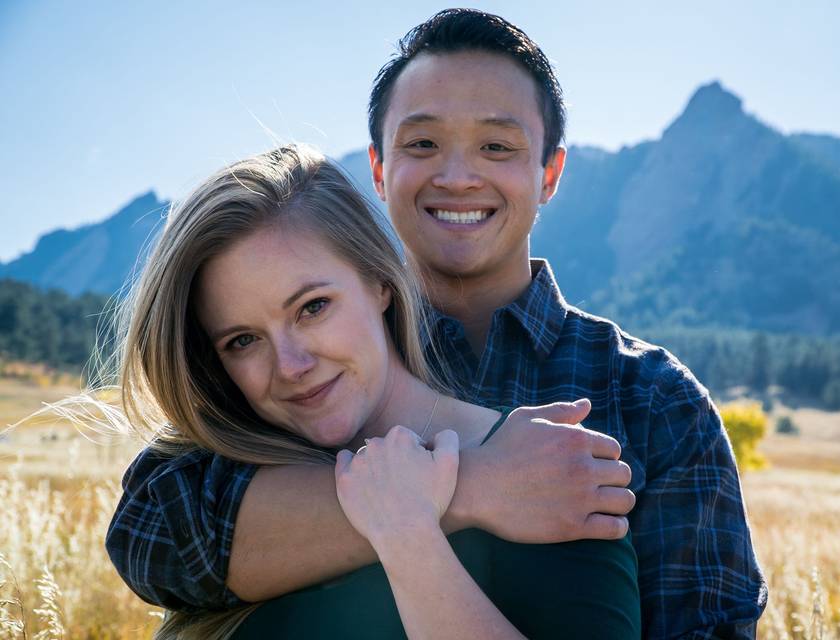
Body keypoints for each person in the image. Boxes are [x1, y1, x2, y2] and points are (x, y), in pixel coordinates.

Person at [108, 9, 766, 638]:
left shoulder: (651, 396)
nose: (457, 176)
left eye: (496, 145)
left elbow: (709, 629)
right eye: (422, 143)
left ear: (550, 174)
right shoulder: (307, 386)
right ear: (379, 169)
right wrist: (475, 483)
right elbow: (150, 532)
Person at [112, 143, 640, 639]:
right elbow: (139, 533)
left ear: (380, 281)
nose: (291, 366)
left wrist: (410, 538)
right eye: (243, 340)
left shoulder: (551, 476)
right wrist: (460, 490)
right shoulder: (218, 484)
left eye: (312, 307)